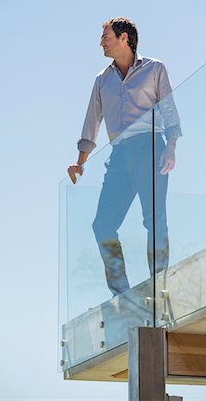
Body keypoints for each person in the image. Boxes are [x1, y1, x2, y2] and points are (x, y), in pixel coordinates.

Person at [68, 17, 182, 296]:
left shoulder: (154, 69)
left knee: (154, 218)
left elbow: (169, 110)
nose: (101, 42)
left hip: (149, 147)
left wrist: (171, 145)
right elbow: (91, 122)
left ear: (124, 39)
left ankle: (159, 286)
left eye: (106, 36)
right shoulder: (102, 80)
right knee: (102, 225)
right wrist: (80, 162)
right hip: (119, 157)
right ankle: (123, 295)